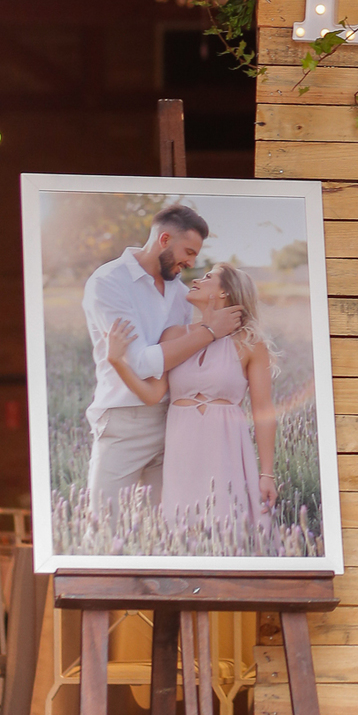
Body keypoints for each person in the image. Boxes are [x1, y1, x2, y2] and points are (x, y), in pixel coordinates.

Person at [82, 204, 242, 526]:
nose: (191, 263)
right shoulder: (109, 283)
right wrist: (210, 332)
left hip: (173, 424)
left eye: (196, 256)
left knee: (170, 528)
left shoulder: (179, 293)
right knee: (104, 526)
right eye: (188, 252)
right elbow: (140, 363)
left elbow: (173, 367)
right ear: (164, 239)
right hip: (123, 421)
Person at [107, 262, 277, 548]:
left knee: (230, 531)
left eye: (208, 277)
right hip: (182, 449)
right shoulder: (173, 336)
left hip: (225, 449)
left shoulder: (250, 343)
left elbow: (263, 411)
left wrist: (267, 473)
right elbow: (152, 395)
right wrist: (117, 362)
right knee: (181, 531)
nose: (197, 279)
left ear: (224, 292)